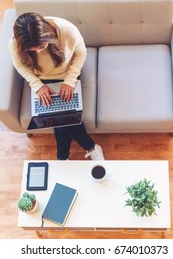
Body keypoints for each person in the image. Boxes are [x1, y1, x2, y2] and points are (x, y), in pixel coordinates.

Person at [9, 12, 104, 161]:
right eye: (33, 50)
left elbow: (81, 53)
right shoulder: (15, 44)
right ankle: (90, 147)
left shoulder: (67, 30)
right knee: (61, 117)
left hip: (67, 75)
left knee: (62, 117)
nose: (39, 52)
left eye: (41, 46)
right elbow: (20, 66)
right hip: (42, 81)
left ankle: (63, 156)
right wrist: (37, 86)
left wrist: (70, 80)